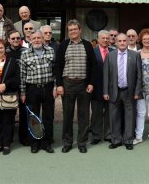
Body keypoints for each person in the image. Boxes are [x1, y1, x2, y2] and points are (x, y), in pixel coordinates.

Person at [55, 19, 97, 153]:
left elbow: (93, 65)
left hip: (83, 84)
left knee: (83, 115)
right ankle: (67, 142)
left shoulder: (87, 45)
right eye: (70, 30)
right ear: (68, 32)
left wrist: (91, 83)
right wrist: (59, 85)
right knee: (67, 115)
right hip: (67, 83)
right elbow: (58, 66)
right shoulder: (63, 45)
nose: (72, 31)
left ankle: (82, 142)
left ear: (80, 30)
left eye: (75, 29)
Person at [103, 33, 142, 150]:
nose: (122, 43)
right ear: (115, 42)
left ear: (128, 42)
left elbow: (139, 76)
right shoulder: (110, 55)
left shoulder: (135, 55)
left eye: (124, 41)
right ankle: (116, 140)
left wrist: (137, 92)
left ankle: (128, 140)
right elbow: (106, 75)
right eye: (119, 41)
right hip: (114, 91)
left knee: (130, 116)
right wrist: (105, 92)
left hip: (129, 92)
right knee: (114, 116)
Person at [20, 30, 55, 153]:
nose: (36, 40)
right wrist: (23, 93)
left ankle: (47, 142)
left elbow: (55, 71)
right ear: (29, 39)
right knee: (33, 117)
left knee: (48, 117)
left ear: (43, 38)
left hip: (48, 88)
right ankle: (34, 142)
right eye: (34, 38)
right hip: (32, 89)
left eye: (38, 38)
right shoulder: (25, 54)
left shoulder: (51, 51)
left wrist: (55, 87)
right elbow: (22, 75)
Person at [6, 29, 29, 146]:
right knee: (9, 115)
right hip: (10, 88)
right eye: (13, 38)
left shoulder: (27, 51)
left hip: (24, 87)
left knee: (24, 114)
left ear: (21, 40)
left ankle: (24, 138)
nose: (15, 40)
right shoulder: (5, 52)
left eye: (17, 38)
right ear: (9, 40)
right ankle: (8, 139)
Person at [90, 30, 113, 145]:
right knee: (96, 113)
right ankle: (96, 135)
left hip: (111, 88)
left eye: (107, 38)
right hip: (96, 87)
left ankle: (108, 134)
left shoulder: (114, 52)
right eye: (103, 38)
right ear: (98, 39)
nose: (105, 40)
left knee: (109, 112)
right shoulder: (92, 52)